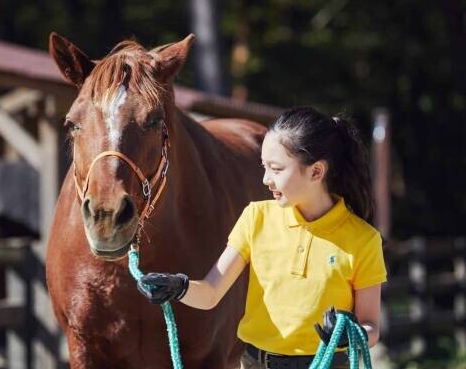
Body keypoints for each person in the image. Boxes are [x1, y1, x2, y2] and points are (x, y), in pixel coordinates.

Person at [137, 106, 387, 369]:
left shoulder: (363, 240)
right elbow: (210, 292)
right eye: (264, 167)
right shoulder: (256, 218)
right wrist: (180, 287)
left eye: (277, 169)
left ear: (316, 172)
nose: (266, 179)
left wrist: (350, 334)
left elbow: (371, 327)